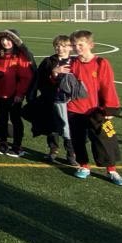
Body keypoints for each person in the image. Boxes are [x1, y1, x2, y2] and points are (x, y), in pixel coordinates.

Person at [67, 30, 122, 185]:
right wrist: (56, 74)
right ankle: (84, 166)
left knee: (105, 140)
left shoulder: (101, 63)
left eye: (81, 44)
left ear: (91, 45)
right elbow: (62, 84)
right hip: (74, 109)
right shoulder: (71, 63)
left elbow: (108, 86)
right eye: (74, 45)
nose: (77, 47)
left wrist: (110, 108)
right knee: (78, 140)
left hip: (96, 110)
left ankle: (111, 170)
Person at [0, 30, 33, 157]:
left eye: (9, 40)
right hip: (0, 93)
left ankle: (17, 146)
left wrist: (20, 93)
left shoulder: (20, 56)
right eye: (3, 40)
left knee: (16, 120)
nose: (5, 42)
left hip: (14, 95)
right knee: (2, 119)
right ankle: (3, 142)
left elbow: (25, 77)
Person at [35, 35, 81, 165]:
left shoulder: (75, 62)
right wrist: (53, 73)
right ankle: (53, 149)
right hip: (52, 99)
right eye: (57, 45)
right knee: (52, 125)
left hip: (71, 102)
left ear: (70, 48)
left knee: (69, 127)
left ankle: (71, 152)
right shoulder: (48, 61)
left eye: (63, 45)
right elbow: (40, 80)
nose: (60, 48)